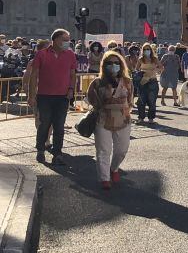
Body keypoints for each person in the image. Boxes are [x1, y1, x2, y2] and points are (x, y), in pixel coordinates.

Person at [86, 50, 134, 190]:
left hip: (123, 118)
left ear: (121, 64)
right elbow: (91, 98)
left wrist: (124, 108)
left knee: (121, 150)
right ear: (104, 65)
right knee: (103, 150)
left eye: (116, 63)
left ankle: (114, 168)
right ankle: (104, 178)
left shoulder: (127, 81)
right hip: (103, 119)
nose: (113, 65)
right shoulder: (97, 82)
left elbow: (130, 99)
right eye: (109, 63)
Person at [27, 29, 77, 165]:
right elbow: (34, 75)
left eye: (68, 40)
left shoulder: (70, 55)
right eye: (64, 39)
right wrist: (31, 95)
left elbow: (73, 74)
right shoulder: (41, 54)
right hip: (44, 96)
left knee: (59, 126)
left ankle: (58, 154)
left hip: (62, 97)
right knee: (44, 124)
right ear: (55, 40)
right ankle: (40, 150)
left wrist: (71, 89)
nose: (67, 42)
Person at [133, 43, 163, 125]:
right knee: (141, 101)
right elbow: (136, 70)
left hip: (152, 81)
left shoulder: (154, 59)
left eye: (148, 49)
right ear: (143, 50)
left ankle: (151, 118)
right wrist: (139, 73)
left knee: (152, 101)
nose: (147, 51)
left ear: (151, 50)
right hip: (143, 82)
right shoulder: (140, 59)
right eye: (145, 49)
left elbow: (161, 67)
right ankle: (141, 118)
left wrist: (155, 70)